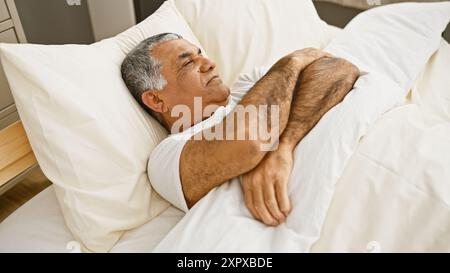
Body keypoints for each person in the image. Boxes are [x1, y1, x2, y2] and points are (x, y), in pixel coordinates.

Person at [121, 33, 359, 226]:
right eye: (188, 63)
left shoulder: (250, 84)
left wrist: (283, 146)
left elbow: (341, 69)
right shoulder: (167, 156)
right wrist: (293, 61)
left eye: (200, 54)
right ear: (156, 100)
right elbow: (248, 141)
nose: (209, 63)